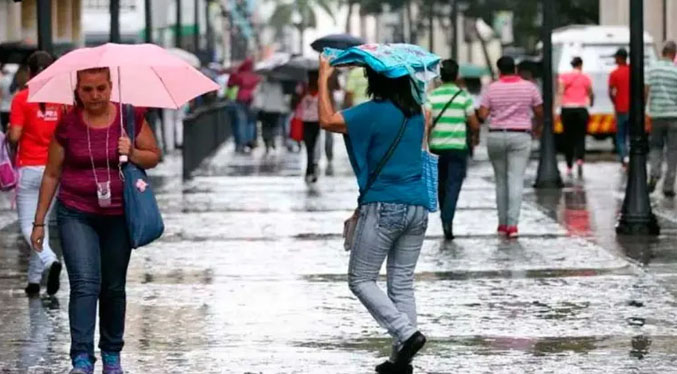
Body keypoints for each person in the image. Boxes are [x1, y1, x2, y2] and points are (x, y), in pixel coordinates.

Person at [30, 67, 161, 374]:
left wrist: (133, 153)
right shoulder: (67, 124)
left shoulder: (130, 116)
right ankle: (81, 358)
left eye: (101, 88)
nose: (95, 95)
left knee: (113, 287)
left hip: (119, 215)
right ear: (77, 90)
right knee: (85, 284)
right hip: (76, 212)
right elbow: (51, 173)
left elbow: (154, 155)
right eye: (87, 90)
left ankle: (112, 354)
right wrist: (38, 223)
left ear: (111, 85)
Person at [318, 57, 429, 374]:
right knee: (402, 284)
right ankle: (400, 359)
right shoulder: (416, 113)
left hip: (385, 206)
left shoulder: (371, 111)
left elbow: (327, 120)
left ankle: (406, 334)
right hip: (417, 206)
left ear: (375, 82)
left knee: (361, 279)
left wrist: (324, 77)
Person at [7, 51, 63, 297]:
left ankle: (50, 261)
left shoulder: (21, 99)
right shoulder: (64, 101)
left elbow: (16, 136)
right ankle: (33, 281)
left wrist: (10, 132)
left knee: (28, 227)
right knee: (41, 225)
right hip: (54, 171)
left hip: (29, 169)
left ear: (29, 73)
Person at [479, 56, 543, 239]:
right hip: (521, 135)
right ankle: (513, 226)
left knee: (500, 181)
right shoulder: (529, 87)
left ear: (499, 70)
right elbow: (539, 111)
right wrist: (537, 127)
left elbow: (483, 114)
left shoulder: (491, 88)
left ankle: (502, 223)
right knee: (515, 179)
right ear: (514, 68)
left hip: (496, 135)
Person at [426, 59, 480, 240]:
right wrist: (475, 136)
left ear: (440, 77)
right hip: (457, 148)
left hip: (436, 147)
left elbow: (427, 124)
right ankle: (447, 219)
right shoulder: (463, 96)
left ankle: (444, 217)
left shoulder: (431, 97)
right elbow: (474, 123)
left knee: (440, 184)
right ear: (457, 76)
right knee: (453, 185)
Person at [646, 41, 677, 197]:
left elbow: (646, 89)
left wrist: (646, 110)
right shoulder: (675, 70)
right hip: (674, 116)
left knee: (656, 147)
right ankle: (669, 185)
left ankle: (654, 174)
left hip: (657, 115)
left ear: (663, 52)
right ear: (674, 54)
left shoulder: (653, 69)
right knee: (673, 151)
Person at [557, 56, 593, 177]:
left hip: (567, 108)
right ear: (581, 65)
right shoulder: (586, 77)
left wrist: (557, 107)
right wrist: (591, 102)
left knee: (568, 137)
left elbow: (560, 92)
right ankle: (580, 159)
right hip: (581, 108)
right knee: (580, 136)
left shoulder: (564, 77)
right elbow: (590, 92)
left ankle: (568, 164)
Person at [227, 58, 261, 153]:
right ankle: (250, 140)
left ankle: (241, 143)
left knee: (241, 121)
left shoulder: (239, 74)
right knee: (251, 121)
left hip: (240, 99)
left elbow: (230, 84)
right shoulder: (256, 75)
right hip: (253, 100)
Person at [296, 70, 321, 183]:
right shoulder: (305, 89)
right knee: (311, 146)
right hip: (310, 121)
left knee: (310, 147)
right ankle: (310, 169)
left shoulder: (316, 89)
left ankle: (310, 169)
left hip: (311, 121)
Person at [252, 76, 288, 154]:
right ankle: (272, 139)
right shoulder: (279, 85)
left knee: (265, 127)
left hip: (265, 109)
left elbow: (257, 94)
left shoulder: (263, 84)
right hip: (276, 109)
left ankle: (267, 142)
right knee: (274, 126)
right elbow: (282, 97)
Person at [609, 48, 631, 168]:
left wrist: (615, 102)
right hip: (633, 110)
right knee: (631, 135)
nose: (615, 60)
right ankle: (631, 157)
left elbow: (611, 91)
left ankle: (625, 159)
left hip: (621, 109)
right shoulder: (633, 71)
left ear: (620, 58)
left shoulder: (614, 74)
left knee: (621, 136)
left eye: (616, 57)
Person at [1, 64, 15, 132]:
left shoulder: (2, 80)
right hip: (13, 108)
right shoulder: (16, 81)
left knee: (4, 128)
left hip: (3, 108)